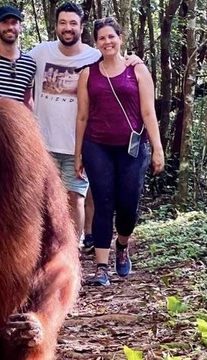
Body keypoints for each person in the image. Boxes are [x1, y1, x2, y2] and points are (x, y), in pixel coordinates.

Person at [0, 3, 142, 250]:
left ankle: (71, 252)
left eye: (73, 23)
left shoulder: (93, 55)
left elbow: (116, 62)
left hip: (80, 143)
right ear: (56, 26)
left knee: (75, 197)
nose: (68, 28)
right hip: (42, 144)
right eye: (63, 23)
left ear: (81, 26)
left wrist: (134, 60)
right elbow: (14, 55)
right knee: (40, 199)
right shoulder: (39, 53)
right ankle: (43, 250)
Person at [74, 17, 164, 286]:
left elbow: (148, 112)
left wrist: (157, 148)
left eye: (111, 37)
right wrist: (78, 153)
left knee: (128, 205)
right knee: (102, 202)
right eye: (101, 38)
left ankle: (122, 245)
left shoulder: (137, 70)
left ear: (120, 38)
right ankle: (101, 268)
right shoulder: (88, 73)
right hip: (97, 145)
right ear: (96, 43)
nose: (107, 42)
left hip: (132, 148)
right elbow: (82, 116)